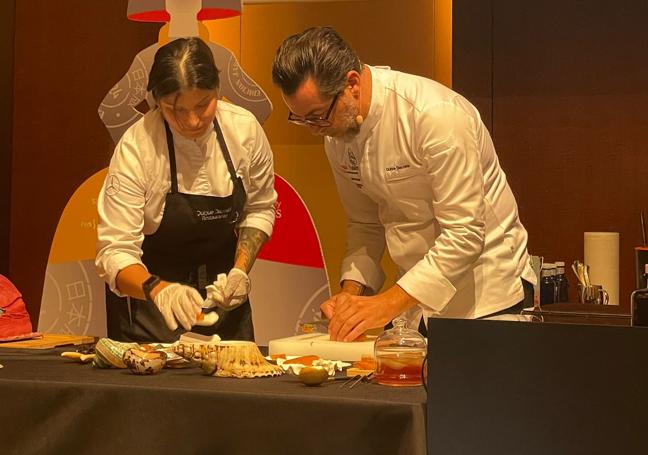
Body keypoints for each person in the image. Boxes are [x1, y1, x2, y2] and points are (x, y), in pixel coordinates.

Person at [272, 26, 536, 342]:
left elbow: (464, 234)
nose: (314, 129)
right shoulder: (337, 135)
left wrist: (386, 303)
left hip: (487, 299)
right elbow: (364, 224)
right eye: (301, 119)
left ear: (352, 84)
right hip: (416, 301)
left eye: (316, 116)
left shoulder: (435, 116)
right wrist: (350, 294)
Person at [96, 37, 276, 343]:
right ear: (156, 100)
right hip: (151, 308)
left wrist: (239, 272)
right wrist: (159, 290)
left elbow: (259, 208)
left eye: (203, 105)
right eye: (175, 109)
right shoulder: (137, 148)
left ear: (218, 90)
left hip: (223, 303)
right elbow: (114, 252)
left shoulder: (244, 132)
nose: (192, 120)